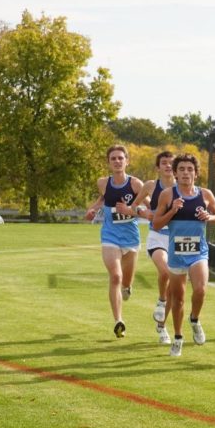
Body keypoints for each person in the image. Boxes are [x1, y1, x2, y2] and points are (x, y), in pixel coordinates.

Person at [150, 153, 215, 358]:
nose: (185, 173)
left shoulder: (205, 194)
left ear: (196, 173)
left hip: (198, 251)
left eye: (190, 169)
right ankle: (178, 337)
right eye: (181, 169)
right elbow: (156, 224)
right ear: (175, 173)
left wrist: (210, 216)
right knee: (178, 299)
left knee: (200, 289)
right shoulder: (167, 195)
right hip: (176, 253)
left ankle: (195, 319)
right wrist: (172, 211)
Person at [84, 145, 143, 338]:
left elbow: (148, 208)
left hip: (131, 239)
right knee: (115, 276)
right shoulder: (103, 182)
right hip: (110, 236)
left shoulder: (136, 185)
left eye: (120, 158)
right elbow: (103, 199)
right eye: (113, 159)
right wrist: (93, 210)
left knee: (125, 282)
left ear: (127, 161)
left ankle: (127, 288)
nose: (117, 161)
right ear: (109, 163)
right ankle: (118, 320)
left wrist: (132, 210)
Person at [123, 151, 175, 344]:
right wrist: (145, 214)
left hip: (176, 239)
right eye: (164, 163)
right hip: (157, 237)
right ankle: (161, 300)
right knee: (165, 273)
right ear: (158, 167)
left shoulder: (182, 188)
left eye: (171, 163)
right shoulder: (151, 186)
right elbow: (133, 207)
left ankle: (162, 327)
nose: (168, 166)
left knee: (176, 291)